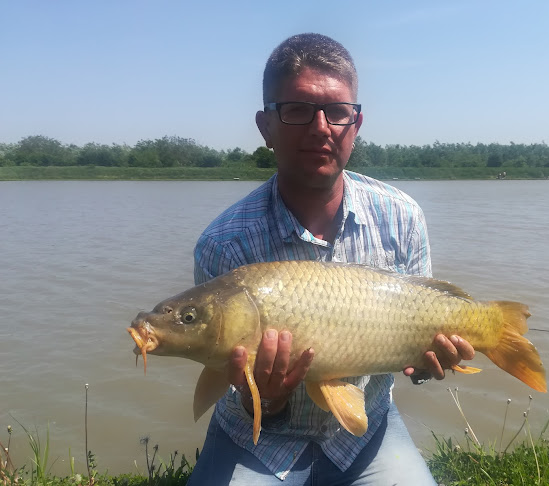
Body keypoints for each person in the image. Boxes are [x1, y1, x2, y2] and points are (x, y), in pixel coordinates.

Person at [189, 33, 475, 485]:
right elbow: (226, 379)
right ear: (266, 126)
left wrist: (427, 365)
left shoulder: (402, 217)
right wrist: (264, 399)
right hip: (255, 436)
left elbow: (419, 353)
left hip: (366, 433)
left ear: (355, 125)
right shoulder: (223, 245)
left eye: (338, 112)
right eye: (298, 110)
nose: (321, 128)